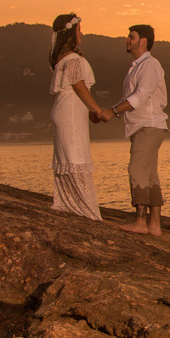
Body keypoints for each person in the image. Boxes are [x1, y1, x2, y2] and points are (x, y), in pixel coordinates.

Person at [99, 25, 168, 235]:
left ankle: (140, 222)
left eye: (131, 36)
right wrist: (108, 112)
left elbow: (141, 96)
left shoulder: (150, 65)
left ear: (143, 41)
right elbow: (128, 98)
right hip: (144, 126)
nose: (127, 40)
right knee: (149, 175)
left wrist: (113, 111)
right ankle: (154, 224)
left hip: (149, 124)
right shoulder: (137, 67)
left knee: (136, 171)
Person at [49, 13, 106, 220]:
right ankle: (86, 211)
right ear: (71, 34)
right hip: (70, 113)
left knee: (69, 157)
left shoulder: (61, 58)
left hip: (65, 110)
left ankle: (70, 203)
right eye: (79, 29)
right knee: (76, 157)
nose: (82, 33)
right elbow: (79, 86)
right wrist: (96, 109)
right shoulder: (72, 59)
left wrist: (90, 111)